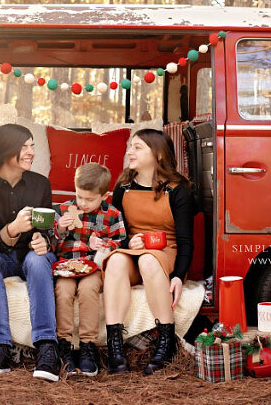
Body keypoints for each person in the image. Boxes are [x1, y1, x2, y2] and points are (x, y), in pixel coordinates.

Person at [102, 129, 195, 375]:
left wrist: (178, 275)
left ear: (159, 155)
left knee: (149, 261)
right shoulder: (123, 188)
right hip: (136, 251)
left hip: (167, 253)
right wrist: (125, 244)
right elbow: (117, 234)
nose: (129, 152)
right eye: (130, 147)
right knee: (115, 263)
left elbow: (187, 241)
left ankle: (166, 341)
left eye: (138, 147)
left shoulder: (178, 190)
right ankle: (115, 347)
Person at [0, 123, 60, 382]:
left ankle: (47, 347)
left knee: (38, 261)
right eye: (24, 147)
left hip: (31, 256)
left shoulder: (40, 184)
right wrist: (11, 230)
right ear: (6, 150)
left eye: (32, 146)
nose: (31, 152)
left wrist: (42, 240)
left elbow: (49, 231)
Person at [53, 163, 126, 377]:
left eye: (89, 199)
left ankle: (88, 346)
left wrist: (103, 244)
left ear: (104, 195)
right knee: (63, 292)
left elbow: (121, 242)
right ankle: (64, 345)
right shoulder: (64, 210)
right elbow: (52, 245)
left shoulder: (112, 214)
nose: (83, 203)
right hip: (65, 265)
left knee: (88, 291)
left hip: (92, 267)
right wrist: (61, 229)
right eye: (79, 197)